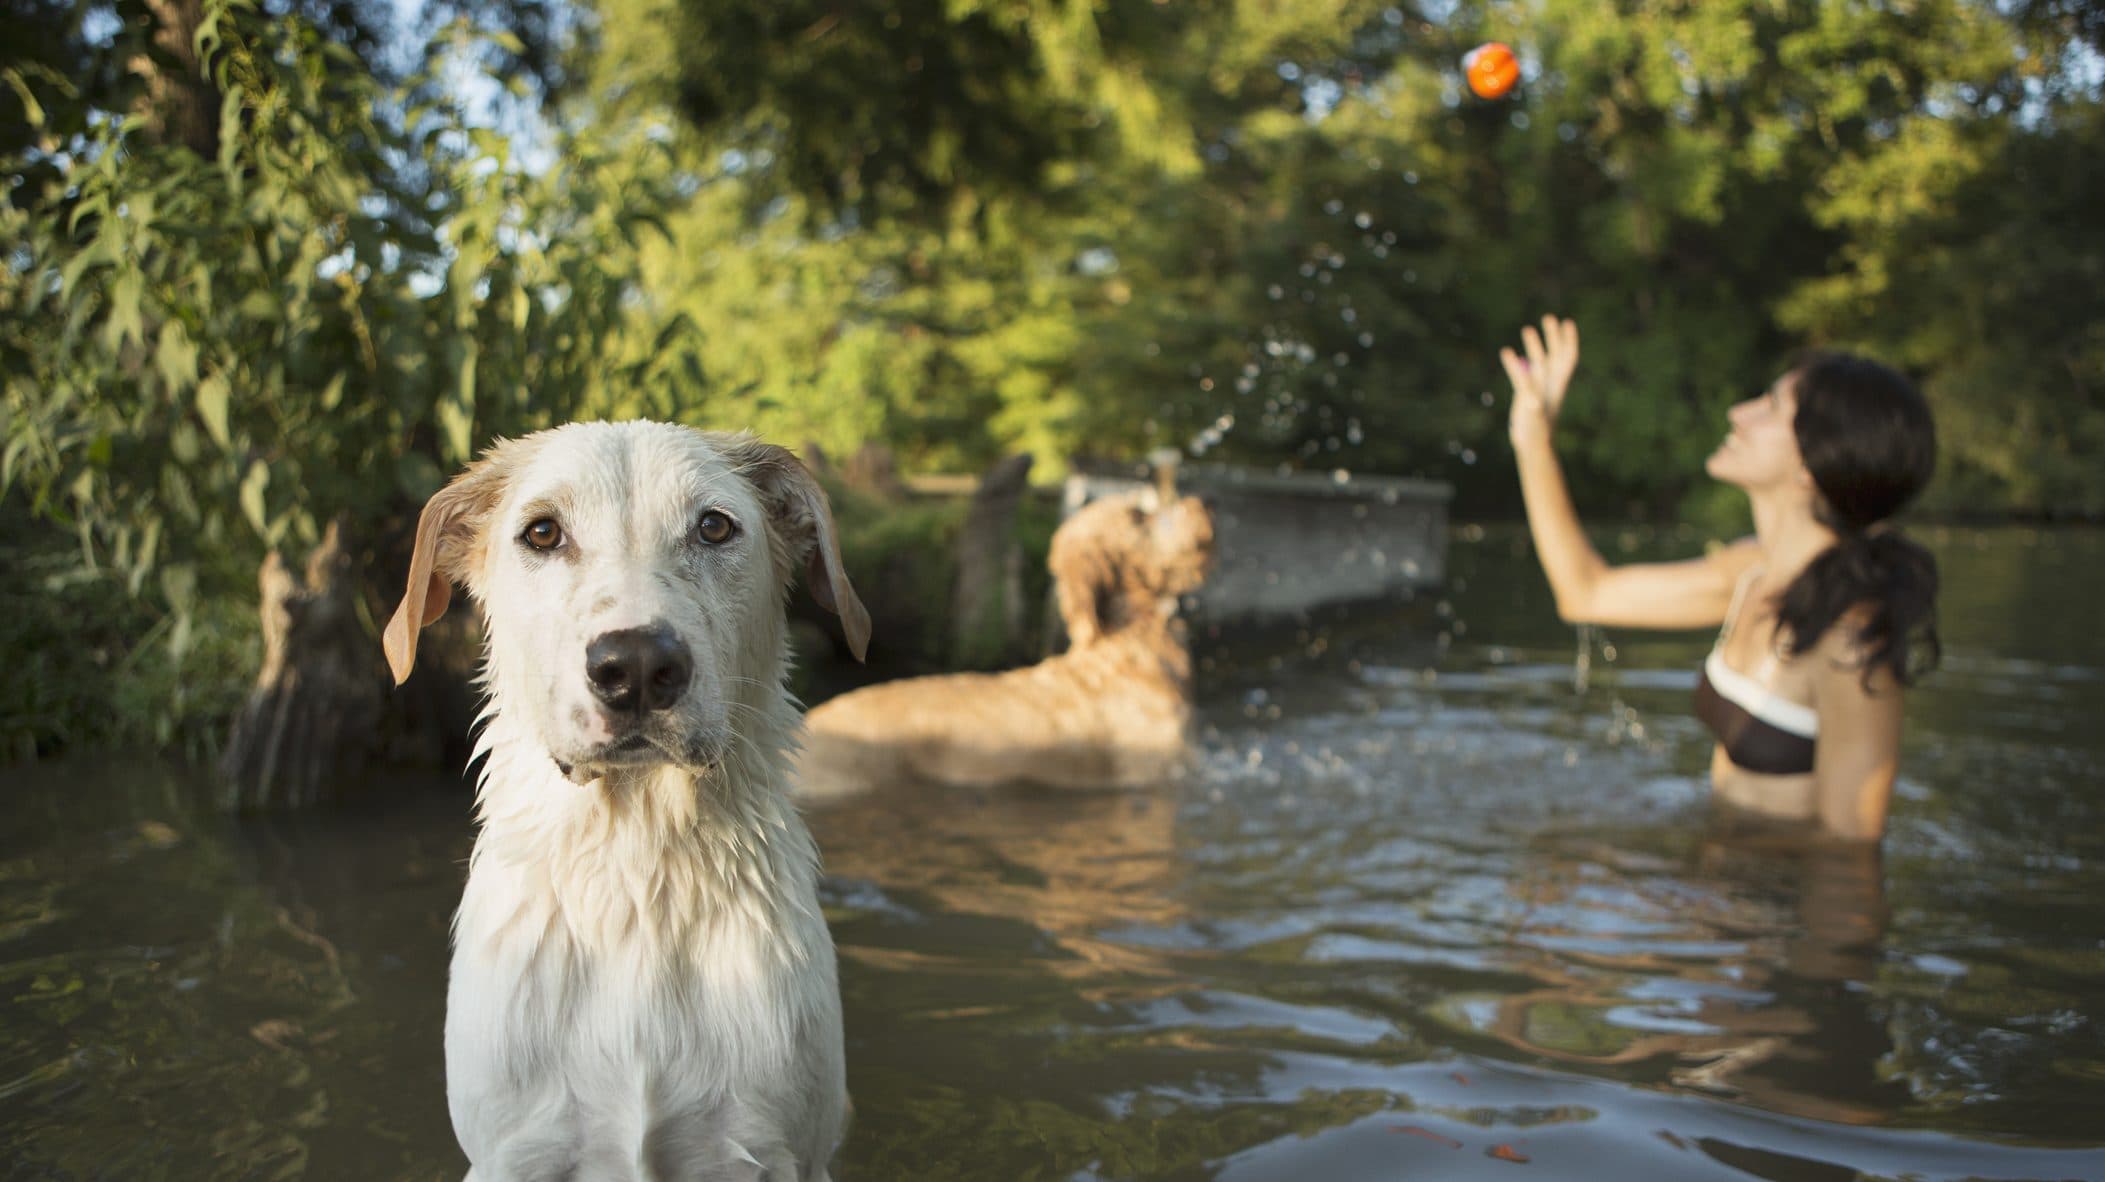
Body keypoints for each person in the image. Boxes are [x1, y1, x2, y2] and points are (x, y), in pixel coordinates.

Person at [1500, 315, 1940, 842]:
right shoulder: (1748, 572)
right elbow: (1585, 593)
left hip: (1765, 910)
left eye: (1771, 407)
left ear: (1811, 466)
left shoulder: (1849, 639)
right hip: (1715, 886)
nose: (1738, 413)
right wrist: (1533, 441)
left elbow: (1850, 851)